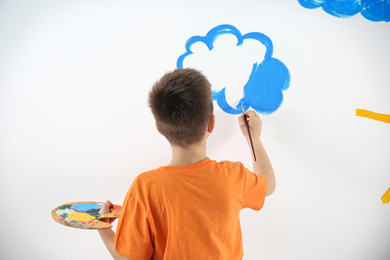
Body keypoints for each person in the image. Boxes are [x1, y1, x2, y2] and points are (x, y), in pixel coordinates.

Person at [98, 68, 276, 260]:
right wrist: (254, 138)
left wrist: (103, 227)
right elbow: (268, 183)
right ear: (211, 124)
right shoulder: (232, 177)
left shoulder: (145, 187)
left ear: (159, 128)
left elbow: (130, 258)